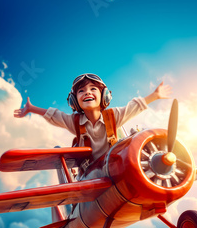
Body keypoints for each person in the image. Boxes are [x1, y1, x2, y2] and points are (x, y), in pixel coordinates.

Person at [13, 73, 172, 173]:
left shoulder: (113, 115)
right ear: (74, 101)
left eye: (93, 89)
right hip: (90, 174)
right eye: (81, 91)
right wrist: (32, 108)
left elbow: (133, 107)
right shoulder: (74, 121)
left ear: (104, 96)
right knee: (95, 174)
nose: (87, 92)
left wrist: (154, 95)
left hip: (115, 168)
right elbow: (55, 115)